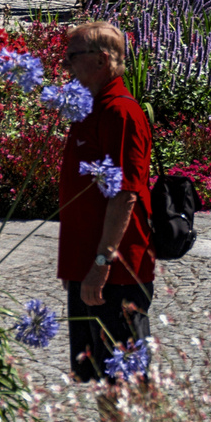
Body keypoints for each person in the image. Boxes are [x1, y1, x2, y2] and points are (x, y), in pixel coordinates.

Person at [57, 21, 154, 393]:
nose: (65, 66)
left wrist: (100, 265)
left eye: (72, 58)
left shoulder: (121, 113)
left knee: (128, 375)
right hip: (90, 264)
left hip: (115, 270)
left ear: (101, 60)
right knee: (102, 375)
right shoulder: (91, 108)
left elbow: (125, 193)